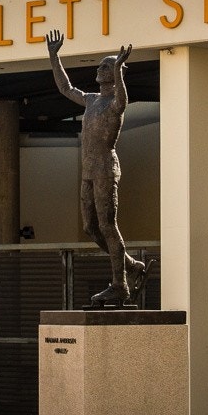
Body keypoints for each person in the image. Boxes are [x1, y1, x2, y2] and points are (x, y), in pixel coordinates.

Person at [46, 29, 149, 308]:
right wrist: (54, 57)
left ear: (115, 72)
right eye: (102, 66)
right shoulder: (91, 100)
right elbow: (66, 88)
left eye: (105, 65)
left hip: (105, 168)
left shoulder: (116, 103)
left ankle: (120, 286)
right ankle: (131, 265)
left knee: (107, 225)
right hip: (89, 170)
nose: (99, 69)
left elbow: (123, 100)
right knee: (91, 227)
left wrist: (118, 70)